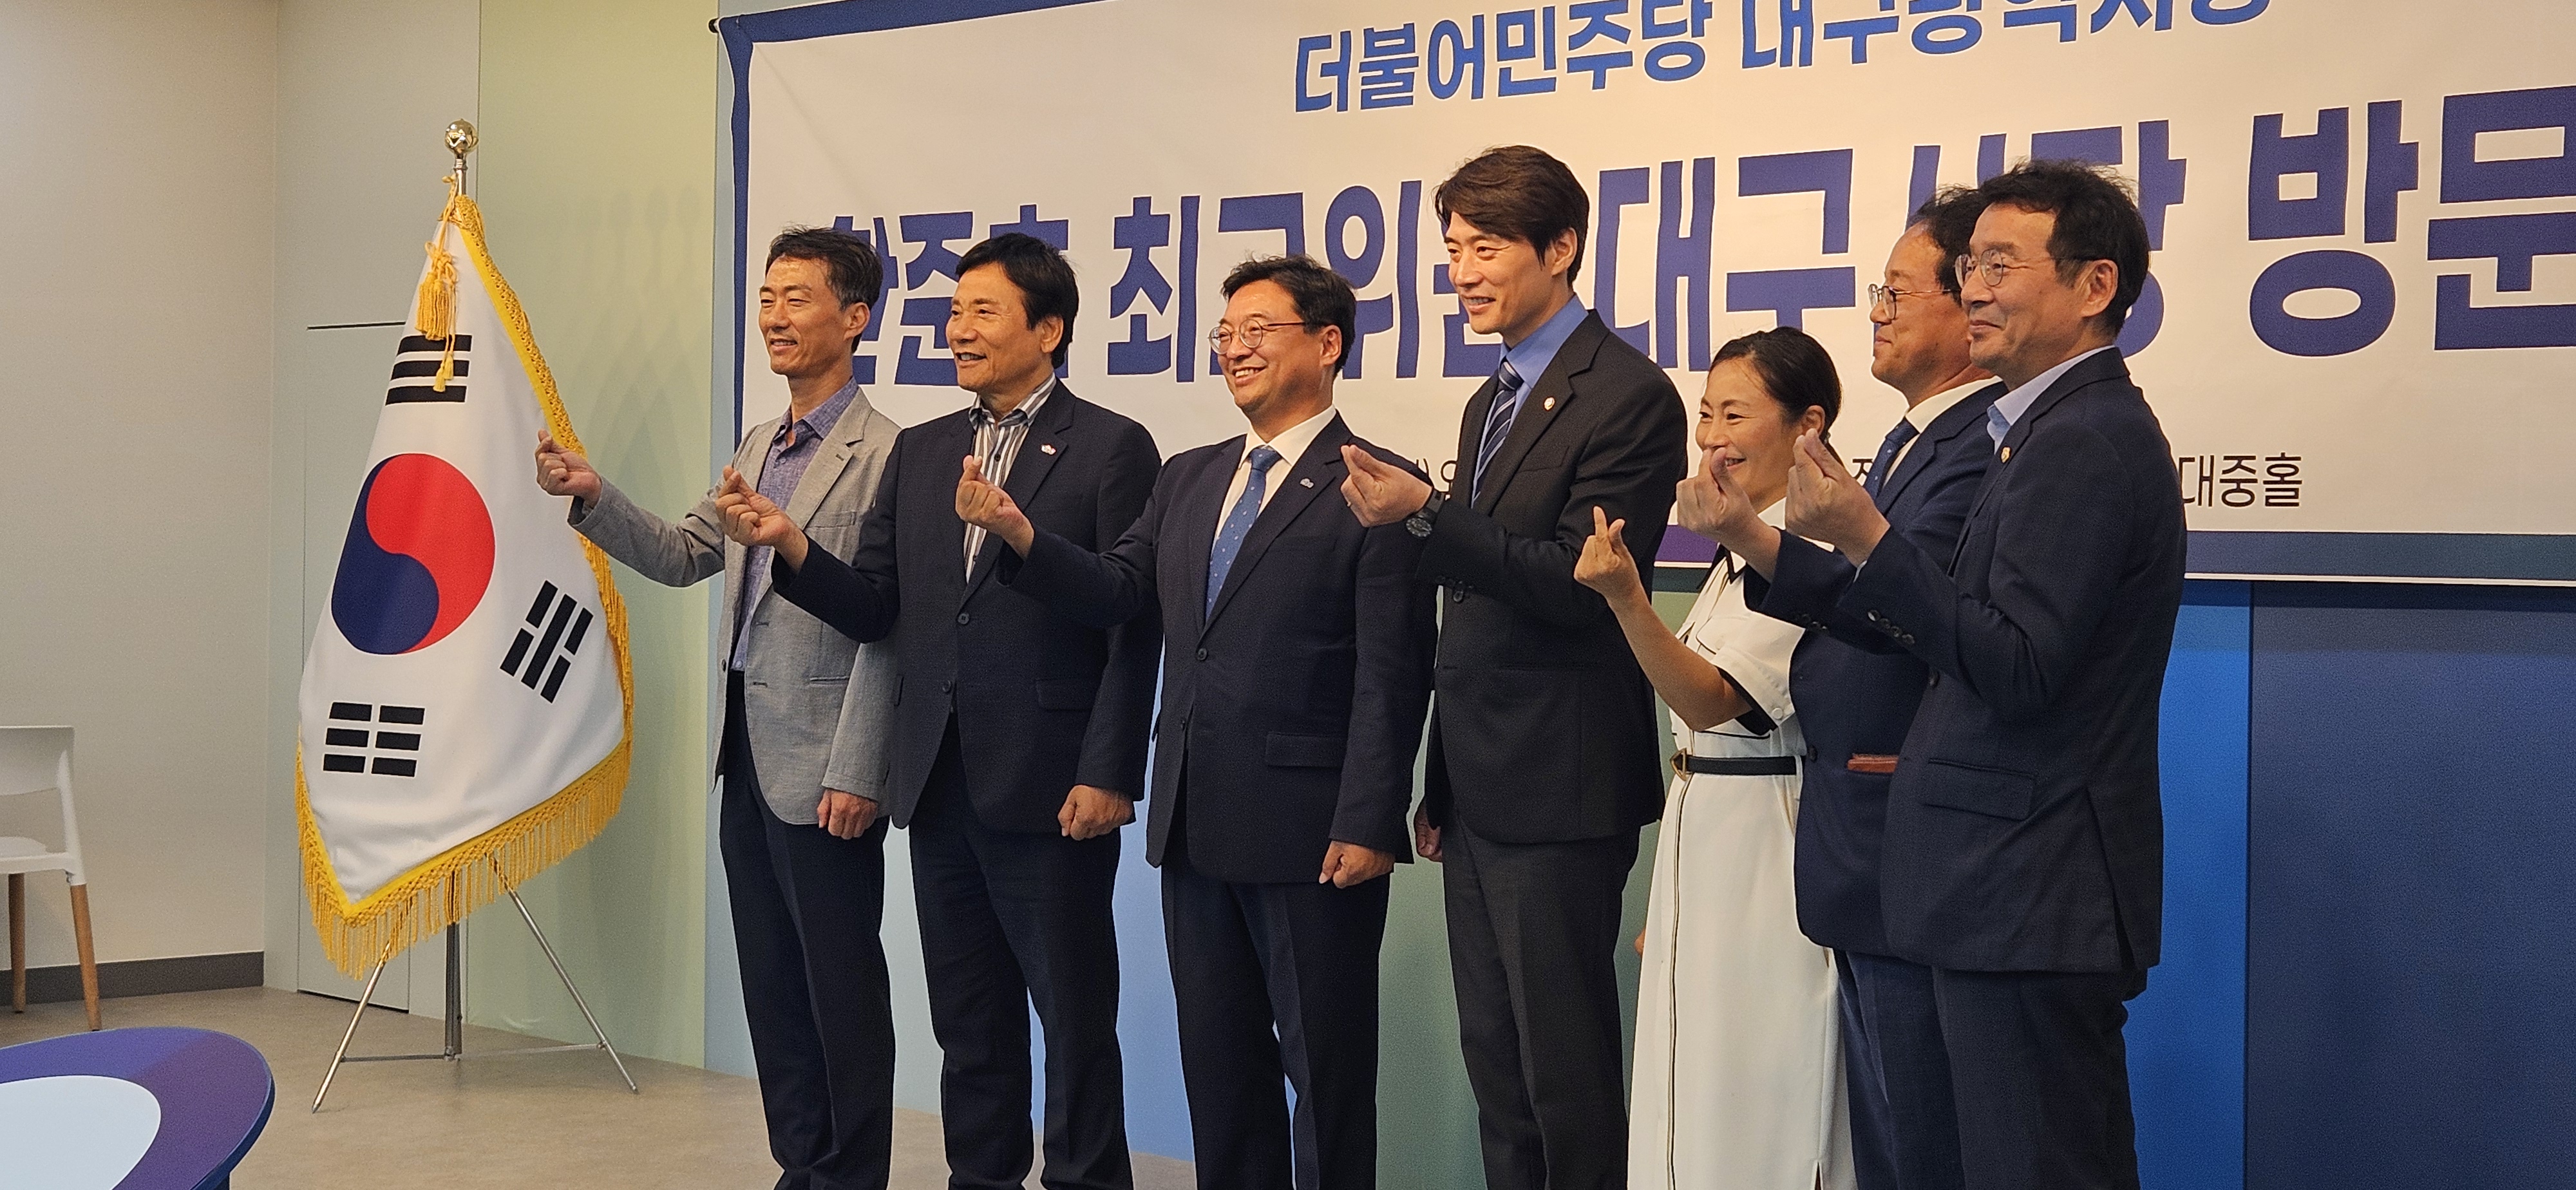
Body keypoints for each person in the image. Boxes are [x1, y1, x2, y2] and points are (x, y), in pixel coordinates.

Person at [958, 254, 1435, 1190]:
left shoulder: (1377, 484)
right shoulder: (1190, 477)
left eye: (1259, 331)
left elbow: (1393, 672)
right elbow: (1119, 591)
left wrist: (1370, 820)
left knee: (1327, 1081)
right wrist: (1023, 535)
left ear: (1328, 344)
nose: (1235, 350)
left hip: (1313, 833)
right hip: (1196, 822)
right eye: (1226, 334)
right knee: (1222, 1078)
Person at [714, 232, 1161, 1190]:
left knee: (1075, 1020)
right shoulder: (923, 450)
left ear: (1049, 329)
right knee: (970, 1022)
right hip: (940, 778)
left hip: (1052, 783)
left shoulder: (1110, 445)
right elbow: (879, 609)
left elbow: (1129, 611)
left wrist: (1109, 770)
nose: (959, 330)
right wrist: (792, 545)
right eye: (954, 312)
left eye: (983, 312)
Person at [1781, 160, 2184, 1190]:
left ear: (2095, 286)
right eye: (1968, 267)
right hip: (2000, 891)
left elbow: (2017, 664)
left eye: (2001, 265)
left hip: (2029, 890)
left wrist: (1869, 539)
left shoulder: (2083, 439)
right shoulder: (2039, 432)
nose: (1976, 291)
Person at [1340, 145, 1689, 1190]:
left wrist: (1427, 513)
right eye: (1453, 250)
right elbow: (1479, 602)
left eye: (1486, 248)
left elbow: (1582, 585)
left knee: (1563, 1075)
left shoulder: (1629, 396)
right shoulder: (1488, 398)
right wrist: (1442, 781)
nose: (1463, 273)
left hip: (1562, 785)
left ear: (1562, 247)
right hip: (1482, 787)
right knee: (1498, 1068)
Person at [533, 226, 902, 1190]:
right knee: (773, 989)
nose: (774, 317)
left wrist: (860, 768)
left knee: (841, 990)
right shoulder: (759, 444)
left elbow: (889, 628)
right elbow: (681, 553)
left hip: (827, 768)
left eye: (797, 298)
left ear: (855, 318)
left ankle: (851, 1174)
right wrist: (594, 494)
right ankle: (802, 1165)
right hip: (745, 755)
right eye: (767, 298)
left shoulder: (886, 455)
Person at [1701, 193, 2002, 1190]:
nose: (1878, 311)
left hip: (1902, 825)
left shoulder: (1980, 447)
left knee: (1923, 1143)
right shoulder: (1913, 441)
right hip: (1857, 831)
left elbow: (1909, 611)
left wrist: (1766, 540)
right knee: (1887, 1139)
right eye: (1879, 291)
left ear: (1969, 301)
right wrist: (1754, 539)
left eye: (1898, 293)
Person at [1572, 327, 1853, 1189]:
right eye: (1706, 414)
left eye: (1736, 415)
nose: (1713, 438)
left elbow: (1711, 701)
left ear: (1808, 425)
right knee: (1689, 1082)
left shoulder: (1813, 551)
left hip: (1772, 843)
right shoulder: (1739, 552)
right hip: (1708, 830)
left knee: (1759, 1087)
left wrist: (1627, 600)